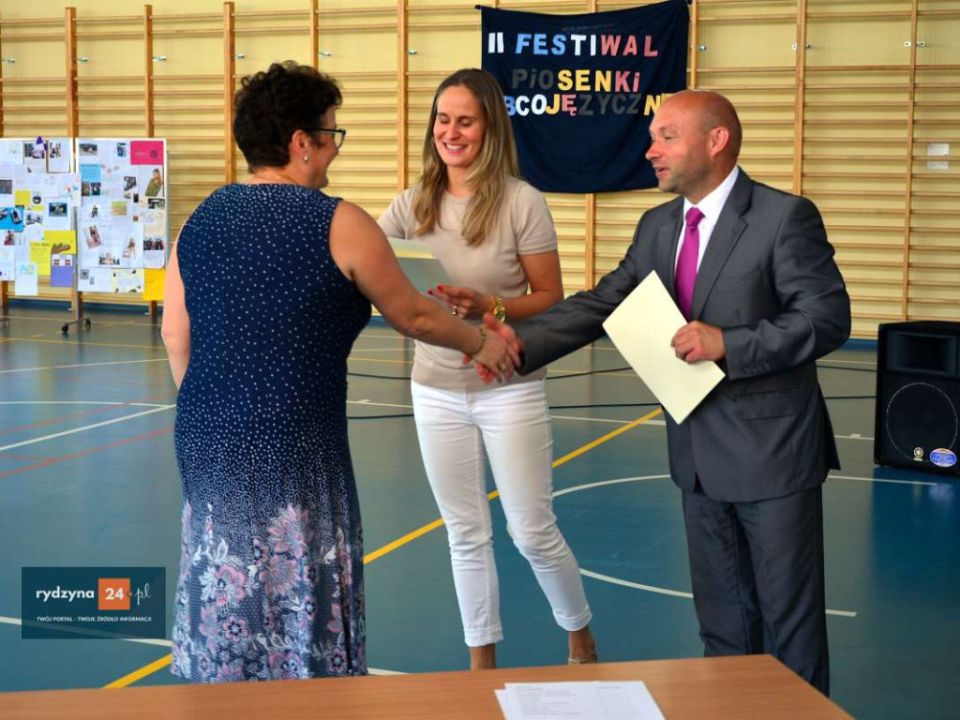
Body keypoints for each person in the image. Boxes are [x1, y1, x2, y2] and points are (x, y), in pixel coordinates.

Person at [484, 90, 849, 695]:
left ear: (716, 140)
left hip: (774, 458)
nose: (650, 150)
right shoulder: (657, 226)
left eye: (666, 137)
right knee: (723, 624)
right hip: (698, 461)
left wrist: (729, 343)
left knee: (791, 626)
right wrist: (515, 345)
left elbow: (826, 318)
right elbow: (603, 302)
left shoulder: (784, 217)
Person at [161, 61, 515, 684]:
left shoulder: (199, 220)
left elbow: (175, 334)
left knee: (223, 571)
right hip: (296, 439)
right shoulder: (338, 222)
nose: (334, 147)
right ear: (302, 143)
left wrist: (214, 411)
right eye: (331, 133)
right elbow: (412, 314)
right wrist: (481, 342)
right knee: (300, 575)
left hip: (206, 432)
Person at [377, 68, 596, 670]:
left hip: (508, 388)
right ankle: (481, 663)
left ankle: (580, 636)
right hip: (435, 391)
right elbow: (370, 268)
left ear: (490, 128)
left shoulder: (522, 202)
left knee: (532, 531)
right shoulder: (411, 204)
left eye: (465, 121)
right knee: (464, 532)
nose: (451, 132)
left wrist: (491, 307)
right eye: (443, 120)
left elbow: (549, 296)